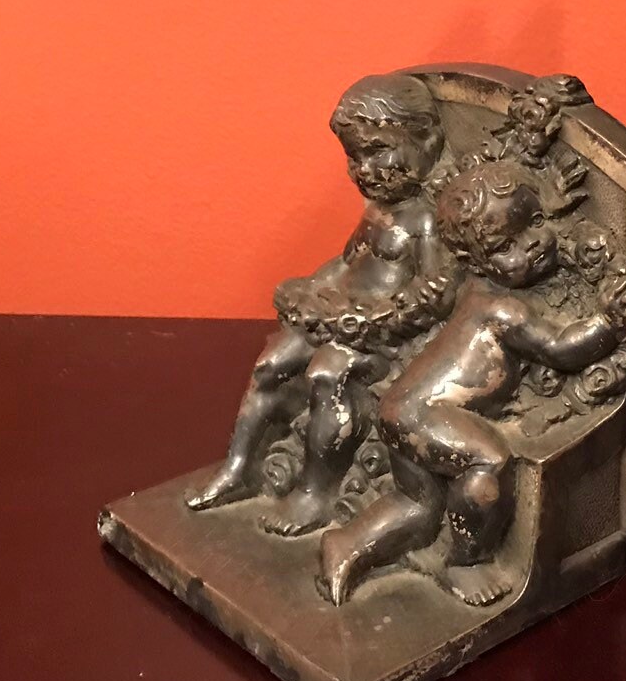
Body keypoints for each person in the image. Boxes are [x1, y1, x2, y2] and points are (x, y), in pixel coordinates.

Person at [318, 160, 626, 606]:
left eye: (535, 222)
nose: (532, 245)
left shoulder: (475, 287)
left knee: (419, 505)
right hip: (425, 412)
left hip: (400, 407)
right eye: (506, 245)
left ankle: (346, 544)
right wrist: (609, 322)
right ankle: (464, 562)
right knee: (489, 460)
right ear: (477, 261)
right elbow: (559, 349)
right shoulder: (502, 309)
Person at [185, 73, 456, 535]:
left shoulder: (428, 220)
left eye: (378, 152)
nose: (365, 170)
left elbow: (435, 295)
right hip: (338, 316)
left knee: (329, 373)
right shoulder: (376, 213)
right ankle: (238, 468)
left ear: (426, 142)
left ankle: (315, 493)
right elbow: (347, 262)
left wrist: (382, 314)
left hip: (386, 336)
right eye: (355, 157)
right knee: (271, 364)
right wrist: (310, 288)